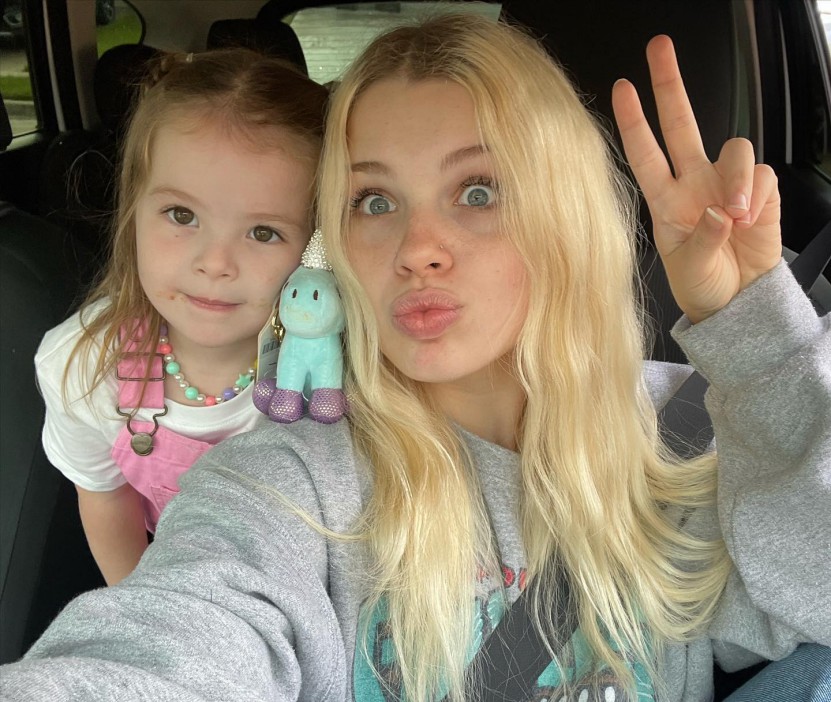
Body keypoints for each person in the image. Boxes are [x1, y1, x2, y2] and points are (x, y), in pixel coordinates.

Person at [2, 13, 829, 702]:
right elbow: (175, 638)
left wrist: (754, 338)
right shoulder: (285, 480)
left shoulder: (694, 431)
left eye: (477, 191)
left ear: (564, 211)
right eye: (373, 200)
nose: (416, 247)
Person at [33, 48, 328, 585]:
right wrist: (142, 609)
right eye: (182, 215)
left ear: (317, 248)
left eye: (264, 232)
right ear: (134, 211)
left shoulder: (334, 373)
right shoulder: (82, 365)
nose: (214, 264)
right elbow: (107, 502)